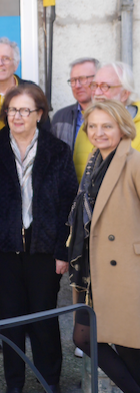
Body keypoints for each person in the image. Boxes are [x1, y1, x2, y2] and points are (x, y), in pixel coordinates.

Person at [0, 85, 78, 393]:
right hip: (4, 249)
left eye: (25, 110)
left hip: (44, 248)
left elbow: (68, 204)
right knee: (10, 319)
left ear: (39, 114)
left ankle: (50, 381)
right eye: (12, 110)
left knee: (44, 318)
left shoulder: (57, 150)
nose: (17, 116)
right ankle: (14, 383)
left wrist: (63, 251)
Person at [68, 100, 140, 393]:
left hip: (125, 273)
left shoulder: (133, 162)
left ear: (122, 127)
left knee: (129, 348)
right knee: (83, 338)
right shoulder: (94, 162)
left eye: (107, 126)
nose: (99, 132)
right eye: (93, 126)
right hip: (92, 272)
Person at [73, 62, 140, 181]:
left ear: (125, 94)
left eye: (105, 86)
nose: (97, 93)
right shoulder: (87, 125)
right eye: (94, 85)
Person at [51, 57, 100, 150]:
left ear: (97, 80)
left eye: (83, 79)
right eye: (73, 80)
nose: (77, 86)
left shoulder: (112, 116)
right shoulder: (60, 118)